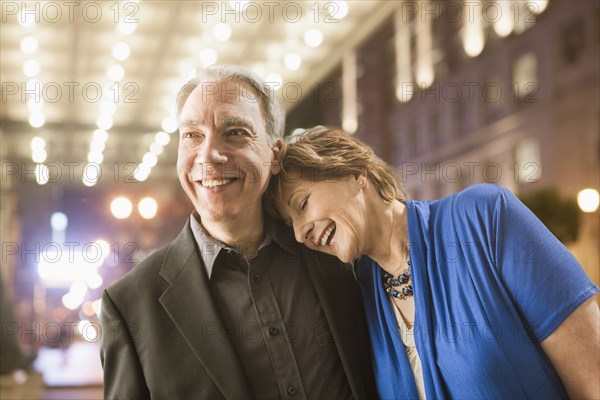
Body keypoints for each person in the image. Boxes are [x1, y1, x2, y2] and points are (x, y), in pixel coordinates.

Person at [100, 68, 378, 399]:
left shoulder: (334, 250)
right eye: (192, 135)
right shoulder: (130, 306)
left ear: (275, 155)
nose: (209, 155)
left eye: (234, 132)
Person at [267, 126, 600, 399]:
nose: (299, 233)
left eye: (303, 204)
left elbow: (593, 376)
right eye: (289, 223)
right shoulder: (362, 291)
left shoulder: (484, 218)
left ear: (356, 174)